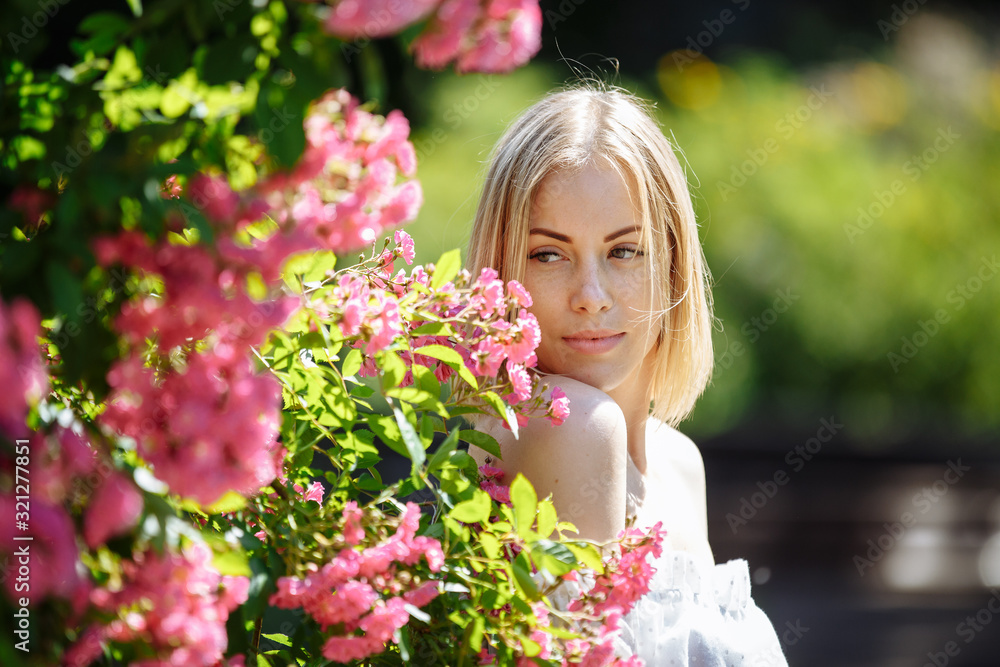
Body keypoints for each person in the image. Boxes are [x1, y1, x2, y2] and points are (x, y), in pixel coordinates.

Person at [465, 84, 789, 666]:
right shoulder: (574, 427)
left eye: (624, 251)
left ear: (671, 262)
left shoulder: (679, 463)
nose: (591, 296)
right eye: (548, 254)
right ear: (502, 267)